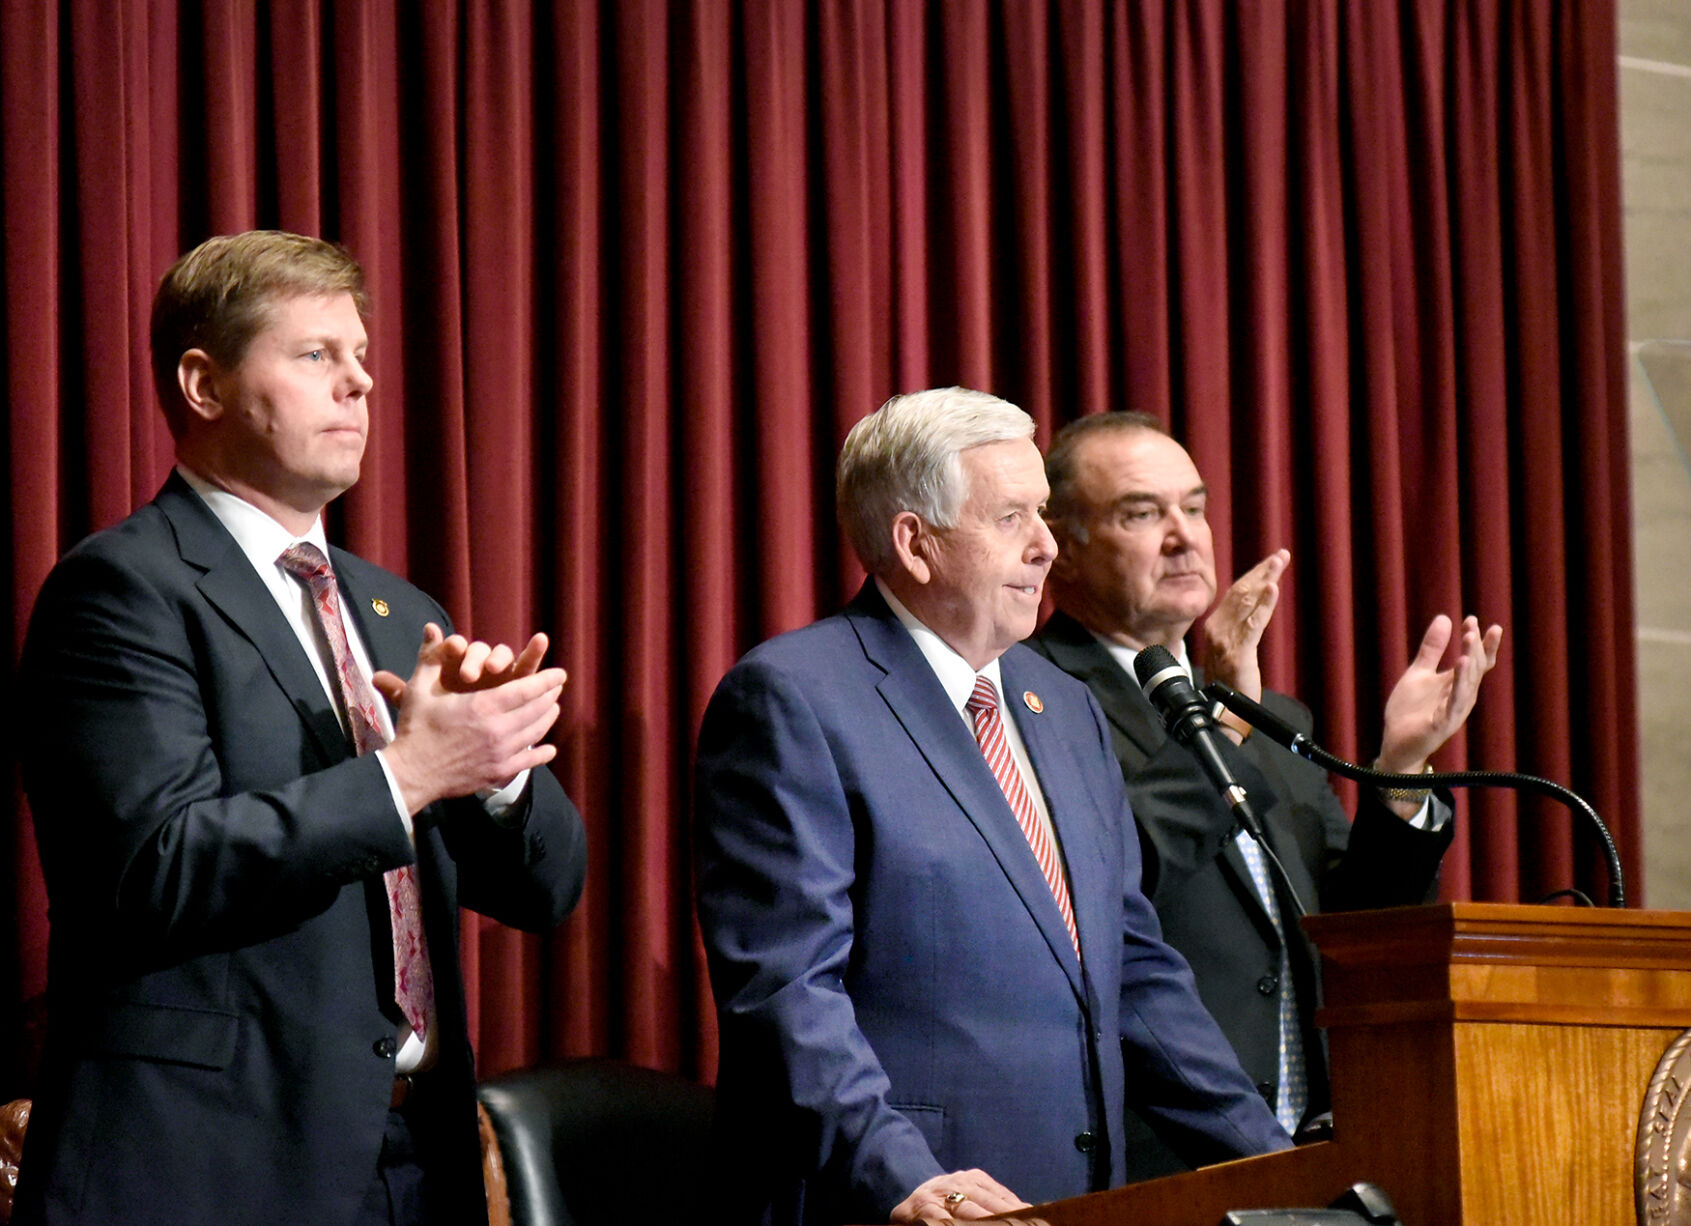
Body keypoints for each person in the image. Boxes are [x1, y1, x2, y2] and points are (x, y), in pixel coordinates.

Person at [12, 231, 588, 1226]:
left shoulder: (399, 612)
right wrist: (408, 774)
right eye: (316, 354)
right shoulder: (122, 590)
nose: (358, 384)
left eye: (361, 358)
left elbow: (547, 886)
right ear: (203, 383)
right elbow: (153, 864)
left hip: (419, 1155)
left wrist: (494, 773)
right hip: (214, 1159)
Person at [693, 387, 1290, 1226]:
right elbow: (788, 989)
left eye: (1044, 516)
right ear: (916, 543)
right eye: (1013, 519)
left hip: (1079, 1196)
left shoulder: (1063, 703)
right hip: (903, 1201)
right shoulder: (795, 699)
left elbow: (1134, 968)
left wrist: (1281, 1166)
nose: (1048, 547)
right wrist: (899, 1174)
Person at [1030, 411, 1501, 1179]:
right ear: (1063, 548)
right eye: (1142, 513)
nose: (1184, 535)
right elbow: (1103, 881)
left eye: (1194, 506)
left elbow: (1354, 932)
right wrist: (1221, 717)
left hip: (1309, 1146)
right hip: (1146, 1151)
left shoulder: (1274, 721)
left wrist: (1400, 769)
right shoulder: (1030, 698)